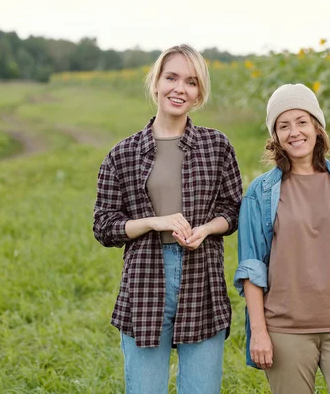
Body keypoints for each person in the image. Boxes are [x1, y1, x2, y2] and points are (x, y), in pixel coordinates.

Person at [93, 44, 242, 394]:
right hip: (144, 279)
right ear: (156, 82)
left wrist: (206, 229)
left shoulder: (216, 146)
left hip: (201, 277)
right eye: (171, 77)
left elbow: (233, 210)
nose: (180, 88)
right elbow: (104, 225)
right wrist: (151, 222)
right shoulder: (123, 153)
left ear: (199, 93)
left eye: (190, 82)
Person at [234, 83, 330, 394]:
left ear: (317, 128)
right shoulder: (260, 193)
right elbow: (251, 267)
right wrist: (259, 332)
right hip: (285, 329)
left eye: (302, 122)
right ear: (275, 136)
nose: (294, 132)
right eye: (284, 125)